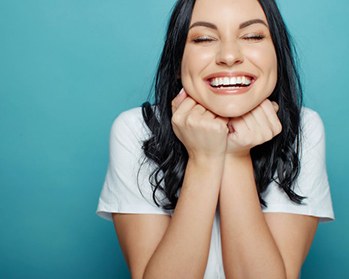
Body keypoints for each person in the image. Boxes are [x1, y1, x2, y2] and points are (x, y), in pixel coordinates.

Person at [97, 0, 334, 278]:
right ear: (177, 62)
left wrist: (236, 155)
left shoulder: (303, 128)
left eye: (253, 36)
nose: (230, 55)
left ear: (277, 55)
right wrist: (205, 159)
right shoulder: (137, 129)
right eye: (204, 38)